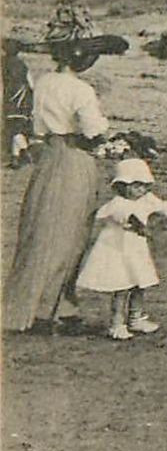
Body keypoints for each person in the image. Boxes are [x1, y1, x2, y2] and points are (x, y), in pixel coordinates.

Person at [2, 39, 111, 333]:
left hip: (48, 157)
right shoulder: (81, 90)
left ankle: (40, 306)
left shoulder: (44, 81)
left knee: (40, 228)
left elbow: (36, 123)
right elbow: (92, 129)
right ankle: (51, 310)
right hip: (74, 156)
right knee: (70, 234)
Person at [75, 158, 167, 341]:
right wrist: (141, 227)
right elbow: (127, 217)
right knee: (122, 286)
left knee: (139, 284)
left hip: (136, 249)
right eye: (136, 186)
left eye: (144, 186)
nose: (141, 190)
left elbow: (162, 207)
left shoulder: (146, 199)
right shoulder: (118, 203)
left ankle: (137, 318)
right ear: (122, 186)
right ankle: (117, 323)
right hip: (118, 249)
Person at [4, 36, 34, 167]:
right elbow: (31, 82)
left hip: (9, 97)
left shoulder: (3, 62)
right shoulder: (22, 64)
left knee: (13, 128)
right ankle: (19, 155)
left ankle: (20, 154)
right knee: (18, 127)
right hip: (23, 96)